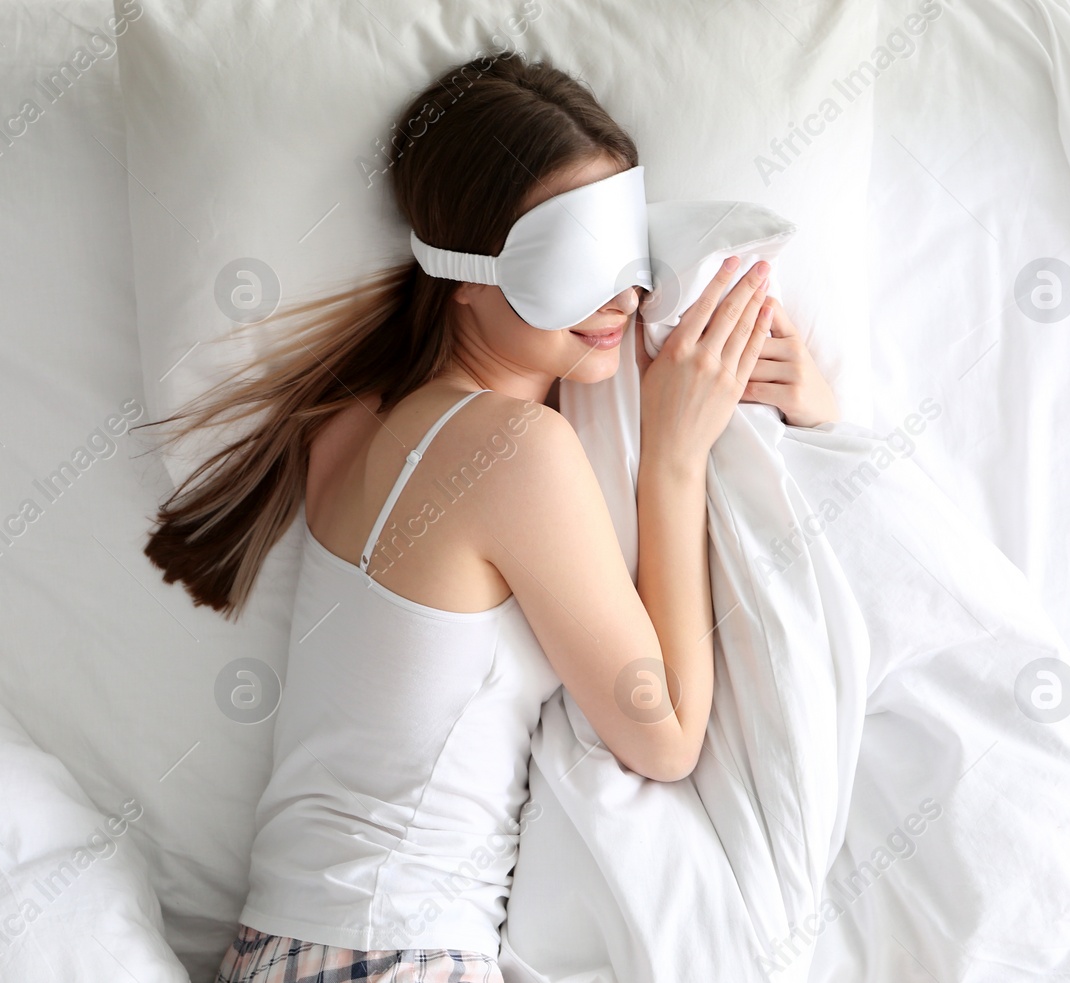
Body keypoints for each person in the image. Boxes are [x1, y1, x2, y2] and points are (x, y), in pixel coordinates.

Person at [143, 52, 838, 983]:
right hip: (391, 955)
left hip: (287, 949)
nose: (624, 299)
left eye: (633, 256)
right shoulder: (513, 451)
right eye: (575, 258)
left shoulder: (355, 417)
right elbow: (665, 733)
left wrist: (806, 415)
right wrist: (672, 460)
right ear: (462, 271)